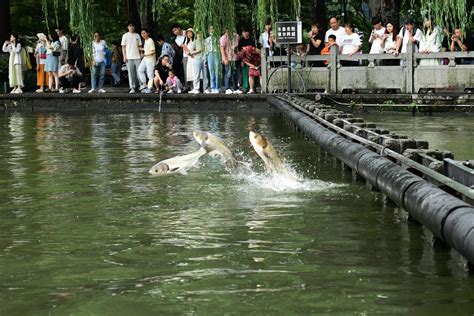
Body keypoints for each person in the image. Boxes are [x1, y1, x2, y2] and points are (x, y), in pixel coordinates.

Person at [121, 21, 142, 93]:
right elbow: (123, 47)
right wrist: (124, 56)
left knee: (139, 72)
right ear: (128, 27)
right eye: (130, 26)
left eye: (133, 26)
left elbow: (140, 46)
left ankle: (141, 86)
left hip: (137, 57)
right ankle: (132, 87)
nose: (132, 27)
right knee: (130, 73)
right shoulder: (125, 35)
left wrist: (141, 54)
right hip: (129, 57)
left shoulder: (137, 35)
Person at [220, 28, 240, 94]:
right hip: (228, 58)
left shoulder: (236, 36)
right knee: (228, 74)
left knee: (236, 74)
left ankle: (235, 88)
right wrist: (224, 58)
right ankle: (227, 88)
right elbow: (222, 48)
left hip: (236, 58)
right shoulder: (224, 37)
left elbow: (237, 46)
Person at [138, 28, 156, 93]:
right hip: (146, 59)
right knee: (140, 70)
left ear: (148, 33)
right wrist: (140, 48)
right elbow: (146, 48)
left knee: (150, 75)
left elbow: (153, 51)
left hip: (150, 60)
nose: (143, 35)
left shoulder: (150, 40)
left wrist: (144, 55)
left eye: (144, 33)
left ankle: (150, 88)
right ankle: (145, 85)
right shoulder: (146, 40)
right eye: (142, 33)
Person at [238, 27, 255, 93]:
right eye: (243, 32)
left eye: (246, 32)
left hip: (252, 60)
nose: (244, 33)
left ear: (249, 32)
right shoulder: (241, 41)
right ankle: (245, 88)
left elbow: (255, 50)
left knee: (253, 74)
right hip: (244, 60)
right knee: (245, 74)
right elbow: (240, 52)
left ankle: (253, 88)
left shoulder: (252, 40)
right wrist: (242, 60)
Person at [205, 26, 221, 94]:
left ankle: (218, 87)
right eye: (210, 29)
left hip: (217, 53)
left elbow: (221, 48)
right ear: (209, 31)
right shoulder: (206, 39)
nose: (212, 30)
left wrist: (221, 57)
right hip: (209, 54)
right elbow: (205, 50)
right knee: (211, 71)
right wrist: (205, 59)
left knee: (217, 71)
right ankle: (212, 87)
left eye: (213, 29)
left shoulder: (219, 38)